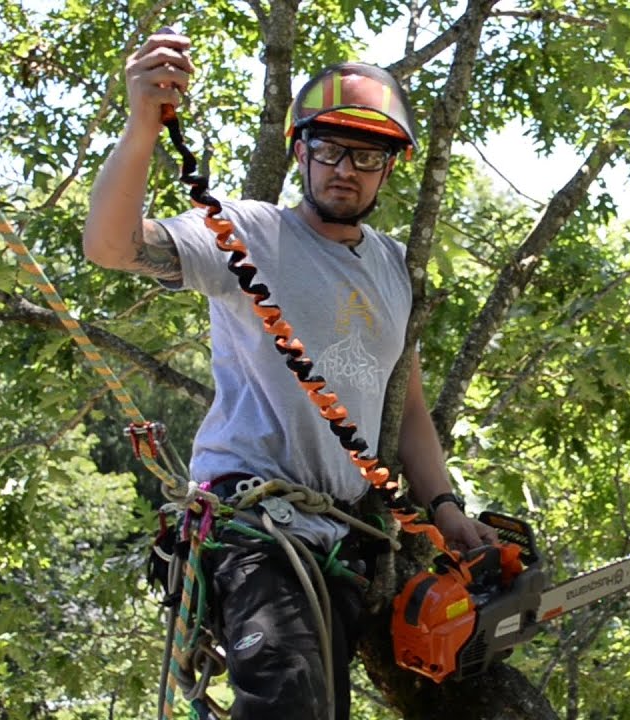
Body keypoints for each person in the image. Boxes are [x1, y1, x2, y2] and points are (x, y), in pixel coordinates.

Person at [83, 28, 496, 720]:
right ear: (300, 151)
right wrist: (143, 126)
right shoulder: (248, 234)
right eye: (329, 148)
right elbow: (111, 246)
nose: (345, 169)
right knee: (289, 702)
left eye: (366, 155)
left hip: (339, 539)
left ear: (389, 168)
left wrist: (446, 508)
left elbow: (410, 403)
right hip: (251, 526)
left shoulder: (397, 266)